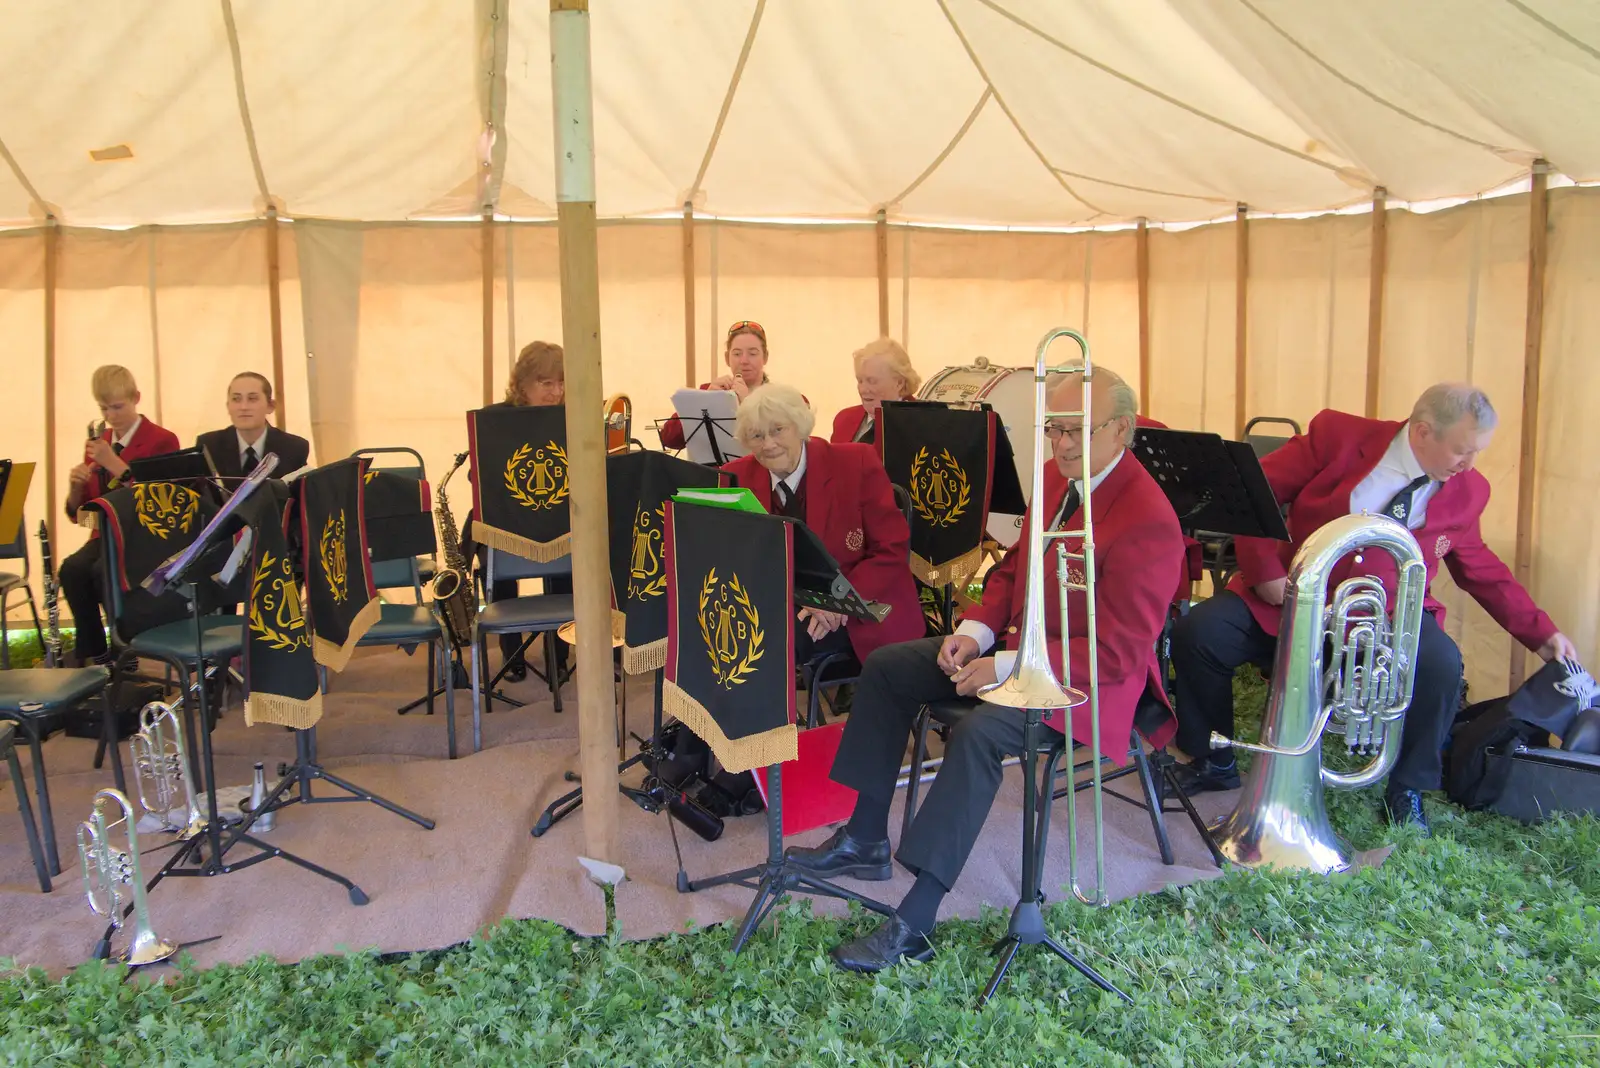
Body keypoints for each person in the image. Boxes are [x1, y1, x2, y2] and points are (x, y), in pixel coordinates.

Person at [789, 367, 1184, 973]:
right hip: (1020, 653)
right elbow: (1013, 571)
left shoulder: (1150, 519)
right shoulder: (1057, 478)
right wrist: (971, 634)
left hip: (1084, 687)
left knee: (975, 736)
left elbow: (1118, 653)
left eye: (1076, 430)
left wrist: (1003, 666)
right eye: (1053, 430)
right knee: (892, 667)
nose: (1062, 444)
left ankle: (916, 921)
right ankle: (865, 837)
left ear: (1122, 431)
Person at [1167, 384, 1578, 834]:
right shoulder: (1338, 436)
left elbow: (1480, 567)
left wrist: (1542, 634)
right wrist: (1266, 574)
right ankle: (1211, 760)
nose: (1470, 464)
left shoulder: (1469, 490)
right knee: (1199, 633)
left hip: (1385, 616)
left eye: (1477, 452)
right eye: (1463, 451)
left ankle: (1407, 786)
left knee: (1441, 665)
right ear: (1423, 432)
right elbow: (1252, 492)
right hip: (1293, 595)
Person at [723, 384, 923, 667]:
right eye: (757, 435)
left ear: (800, 426)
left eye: (778, 430)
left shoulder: (856, 462)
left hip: (859, 603)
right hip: (778, 603)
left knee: (766, 645)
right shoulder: (735, 476)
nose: (768, 444)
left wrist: (836, 601)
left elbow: (891, 548)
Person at [58, 365, 181, 665]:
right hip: (106, 534)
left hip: (144, 536)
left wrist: (115, 464)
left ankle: (126, 648)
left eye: (118, 407)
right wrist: (76, 490)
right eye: (104, 409)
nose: (111, 416)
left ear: (136, 398)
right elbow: (83, 518)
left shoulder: (162, 440)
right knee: (71, 570)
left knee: (104, 572)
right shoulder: (98, 445)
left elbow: (161, 504)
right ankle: (96, 653)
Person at [466, 341, 570, 682]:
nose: (556, 392)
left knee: (572, 548)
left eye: (561, 383)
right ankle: (512, 654)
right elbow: (476, 475)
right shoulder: (495, 420)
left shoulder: (573, 418)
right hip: (507, 518)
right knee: (492, 541)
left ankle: (559, 654)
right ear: (523, 383)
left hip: (560, 518)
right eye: (546, 383)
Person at [659, 321, 805, 451]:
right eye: (736, 354)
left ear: (765, 357)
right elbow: (669, 439)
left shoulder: (785, 397)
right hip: (714, 477)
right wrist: (703, 400)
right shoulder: (708, 391)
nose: (744, 361)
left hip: (764, 478)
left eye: (753, 353)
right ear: (727, 358)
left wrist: (749, 403)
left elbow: (798, 438)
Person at [195, 372, 311, 482]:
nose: (243, 407)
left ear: (270, 406)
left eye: (252, 399)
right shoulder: (209, 445)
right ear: (228, 406)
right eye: (236, 399)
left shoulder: (294, 448)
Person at [831, 338, 920, 445]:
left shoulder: (920, 422)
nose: (863, 389)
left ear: (899, 383)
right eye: (860, 381)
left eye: (872, 381)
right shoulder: (844, 419)